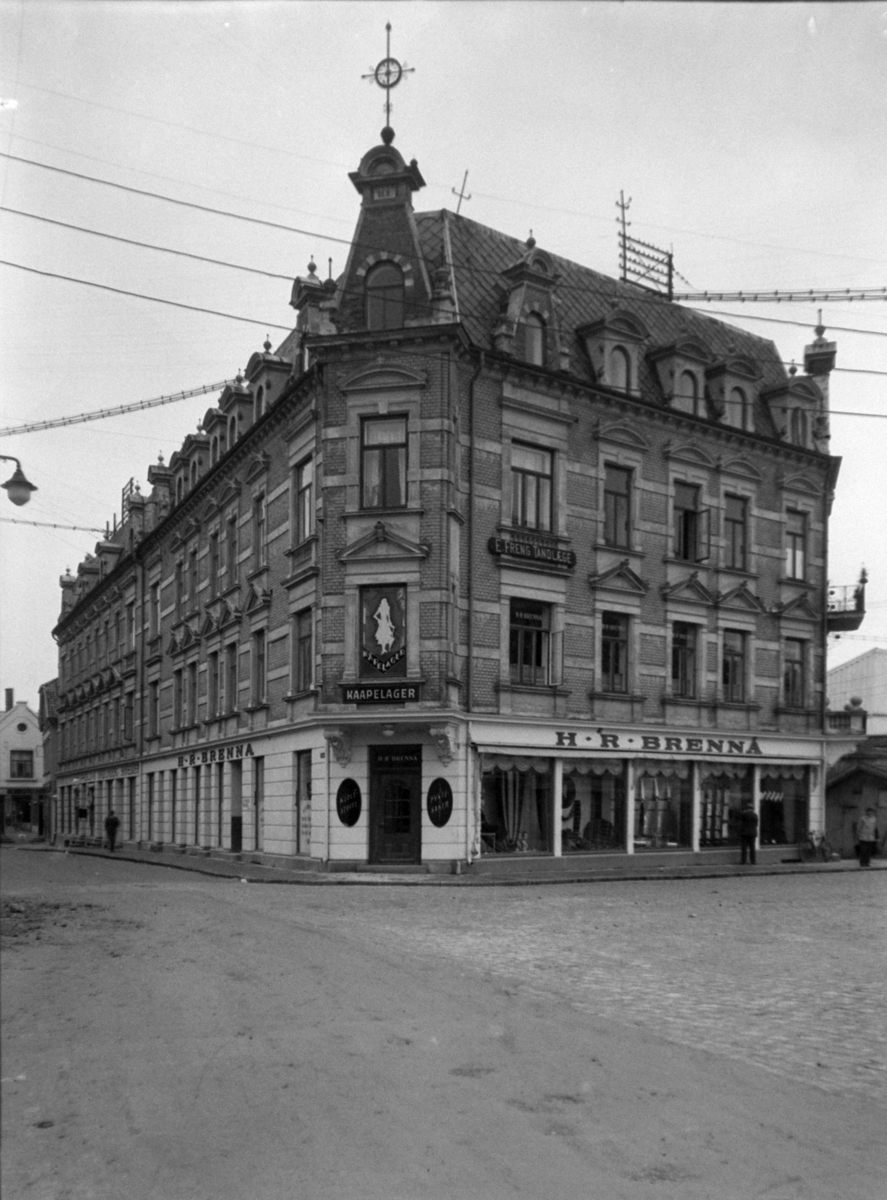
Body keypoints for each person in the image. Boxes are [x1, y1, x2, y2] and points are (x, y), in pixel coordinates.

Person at [739, 801, 759, 865]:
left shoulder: (744, 814)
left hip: (744, 833)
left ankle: (743, 861)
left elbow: (741, 823)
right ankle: (753, 861)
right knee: (752, 848)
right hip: (753, 833)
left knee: (744, 848)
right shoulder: (755, 815)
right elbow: (756, 824)